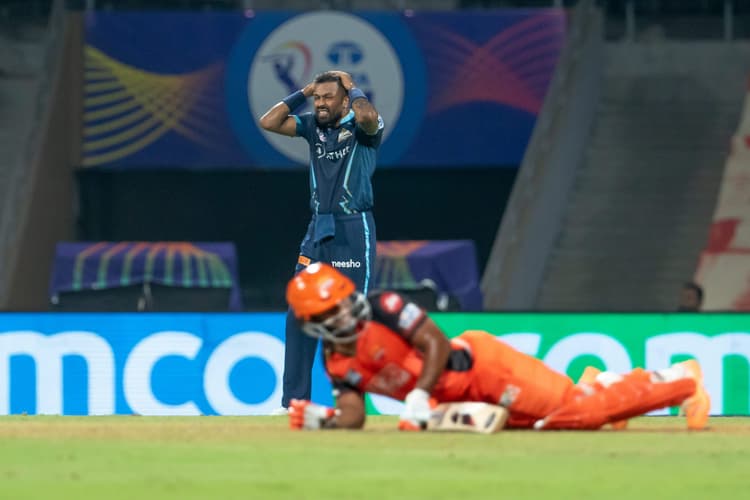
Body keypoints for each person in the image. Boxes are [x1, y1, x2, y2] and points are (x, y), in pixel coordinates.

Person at [284, 263, 711, 431]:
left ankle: (681, 380)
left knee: (579, 416)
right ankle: (600, 385)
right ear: (312, 323)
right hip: (460, 405)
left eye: (344, 302)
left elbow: (434, 342)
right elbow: (355, 414)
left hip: (484, 369)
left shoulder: (384, 306)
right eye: (332, 311)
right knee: (548, 425)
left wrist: (418, 395)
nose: (345, 313)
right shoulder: (335, 360)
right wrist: (327, 420)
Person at [259, 71, 384, 413]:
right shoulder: (313, 126)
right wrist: (304, 91)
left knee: (351, 316)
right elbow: (269, 121)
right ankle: (294, 402)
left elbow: (367, 116)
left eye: (328, 97)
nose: (321, 103)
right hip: (318, 230)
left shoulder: (363, 128)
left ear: (344, 101)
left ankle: (351, 402)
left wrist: (353, 87)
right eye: (318, 98)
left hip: (353, 229)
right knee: (299, 311)